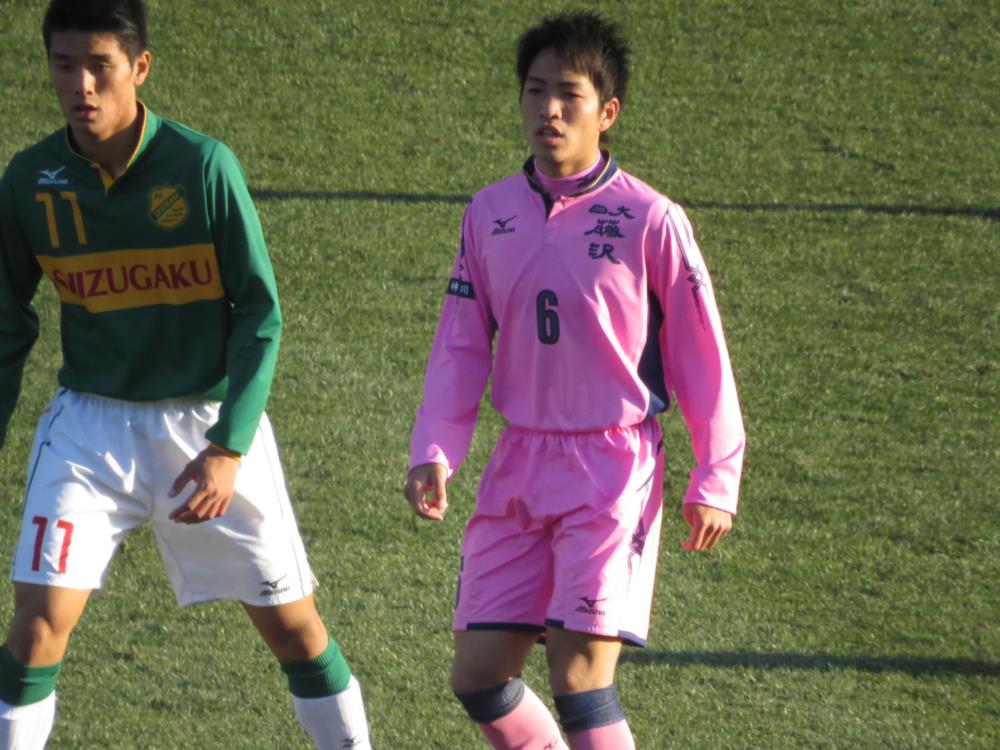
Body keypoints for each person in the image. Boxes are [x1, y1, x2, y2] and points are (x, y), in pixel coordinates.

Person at [0, 1, 371, 747]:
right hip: (89, 429)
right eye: (64, 66)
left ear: (139, 68)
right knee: (36, 629)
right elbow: (7, 323)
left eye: (99, 67)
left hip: (204, 427)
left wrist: (229, 447)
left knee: (294, 630)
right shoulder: (30, 179)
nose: (81, 86)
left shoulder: (202, 166)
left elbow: (259, 314)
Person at [403, 10, 745, 749]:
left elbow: (702, 354)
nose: (549, 111)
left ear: (607, 111)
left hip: (611, 467)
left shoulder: (650, 219)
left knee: (580, 678)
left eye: (569, 95)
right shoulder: (489, 213)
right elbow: (461, 343)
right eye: (535, 92)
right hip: (519, 461)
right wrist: (434, 448)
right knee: (478, 675)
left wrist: (716, 476)